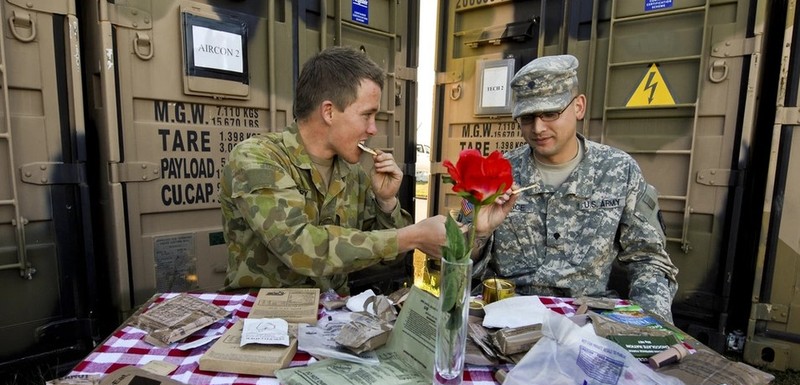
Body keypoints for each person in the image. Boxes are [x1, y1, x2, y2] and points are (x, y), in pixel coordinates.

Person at [468, 54, 679, 321]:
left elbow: (649, 260)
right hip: (505, 317)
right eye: (527, 117)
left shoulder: (618, 171)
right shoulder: (495, 172)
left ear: (578, 106)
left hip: (585, 321)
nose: (538, 127)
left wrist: (649, 327)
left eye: (550, 113)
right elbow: (460, 256)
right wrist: (479, 233)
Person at [220, 46, 446, 294]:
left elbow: (387, 261)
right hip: (264, 321)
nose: (373, 129)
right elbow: (300, 249)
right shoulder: (257, 158)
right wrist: (412, 236)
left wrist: (387, 202)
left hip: (331, 320)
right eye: (367, 115)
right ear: (328, 111)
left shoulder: (354, 174)